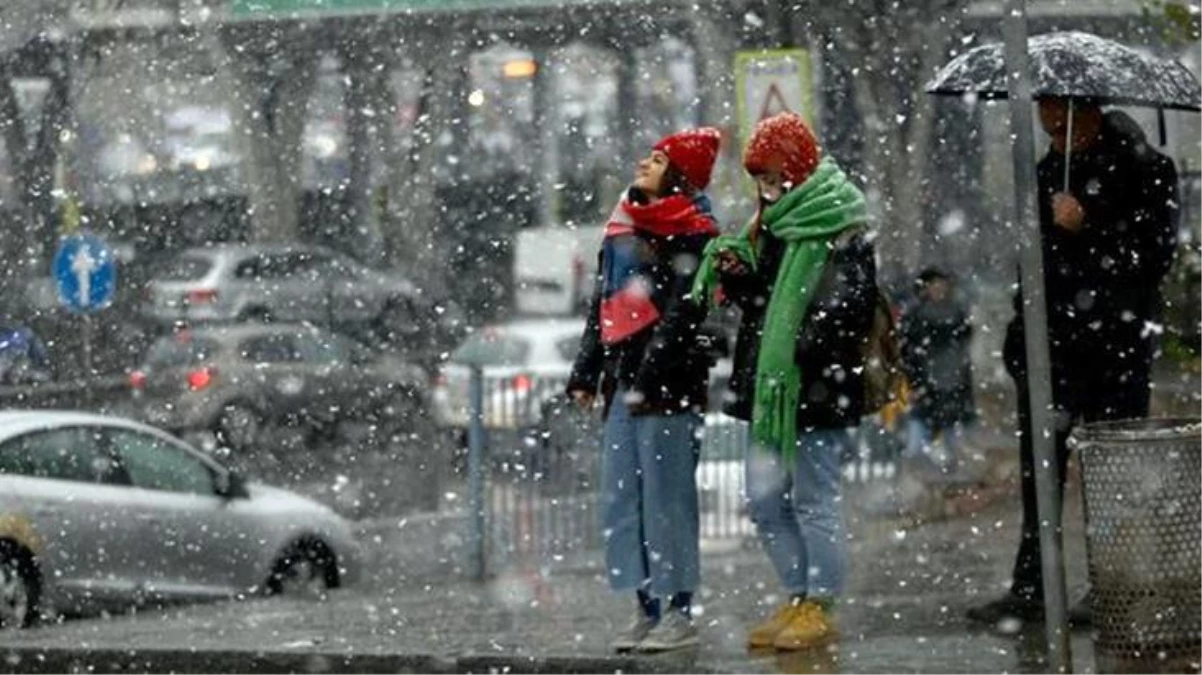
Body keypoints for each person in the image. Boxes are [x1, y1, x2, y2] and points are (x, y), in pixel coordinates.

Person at [967, 99, 1178, 627]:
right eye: (1047, 127)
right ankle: (1033, 585)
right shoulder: (1045, 172)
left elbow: (1153, 257)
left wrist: (1088, 225)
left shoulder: (1147, 169)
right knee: (1040, 471)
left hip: (1116, 347)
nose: (1055, 137)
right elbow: (1034, 262)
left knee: (1110, 475)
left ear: (1091, 114)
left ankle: (1112, 584)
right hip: (1051, 349)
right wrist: (1020, 341)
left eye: (1064, 126)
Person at [692, 112, 877, 651]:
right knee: (765, 499)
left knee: (814, 499)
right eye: (760, 179)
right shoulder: (773, 226)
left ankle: (820, 603)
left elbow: (851, 308)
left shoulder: (840, 224)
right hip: (771, 389)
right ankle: (798, 596)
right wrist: (739, 277)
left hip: (816, 387)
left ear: (796, 168)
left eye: (774, 176)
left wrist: (802, 341)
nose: (767, 189)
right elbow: (762, 305)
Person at [566, 127, 721, 653]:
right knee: (621, 499)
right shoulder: (622, 226)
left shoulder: (693, 232)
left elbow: (685, 311)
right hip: (622, 386)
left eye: (657, 160)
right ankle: (644, 604)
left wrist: (652, 367)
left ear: (678, 175)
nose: (644, 163)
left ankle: (679, 608)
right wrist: (588, 371)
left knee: (667, 500)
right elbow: (601, 306)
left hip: (667, 389)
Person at [899, 267, 975, 475]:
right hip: (927, 385)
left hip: (950, 385)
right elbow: (908, 352)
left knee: (949, 445)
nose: (939, 290)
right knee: (919, 445)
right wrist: (915, 382)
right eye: (934, 285)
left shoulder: (955, 312)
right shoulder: (917, 315)